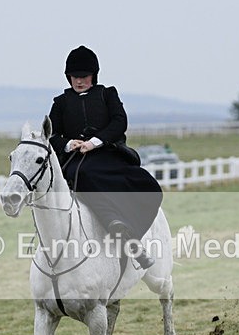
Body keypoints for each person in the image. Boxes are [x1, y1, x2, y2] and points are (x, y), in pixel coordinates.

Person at [48, 45, 163, 269]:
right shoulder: (60, 103)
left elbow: (119, 122)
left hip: (109, 155)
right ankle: (116, 226)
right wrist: (70, 144)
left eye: (84, 76)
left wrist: (94, 142)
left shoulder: (108, 94)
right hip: (77, 162)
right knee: (86, 173)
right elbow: (51, 135)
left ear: (94, 75)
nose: (79, 81)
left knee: (151, 188)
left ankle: (133, 235)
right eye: (74, 77)